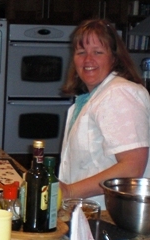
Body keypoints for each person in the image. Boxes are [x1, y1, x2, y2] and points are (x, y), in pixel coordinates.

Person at [58, 19, 150, 209]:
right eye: (81, 52)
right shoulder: (89, 99)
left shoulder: (119, 93)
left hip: (113, 215)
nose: (88, 60)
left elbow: (132, 167)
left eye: (98, 52)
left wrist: (70, 191)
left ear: (114, 58)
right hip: (90, 212)